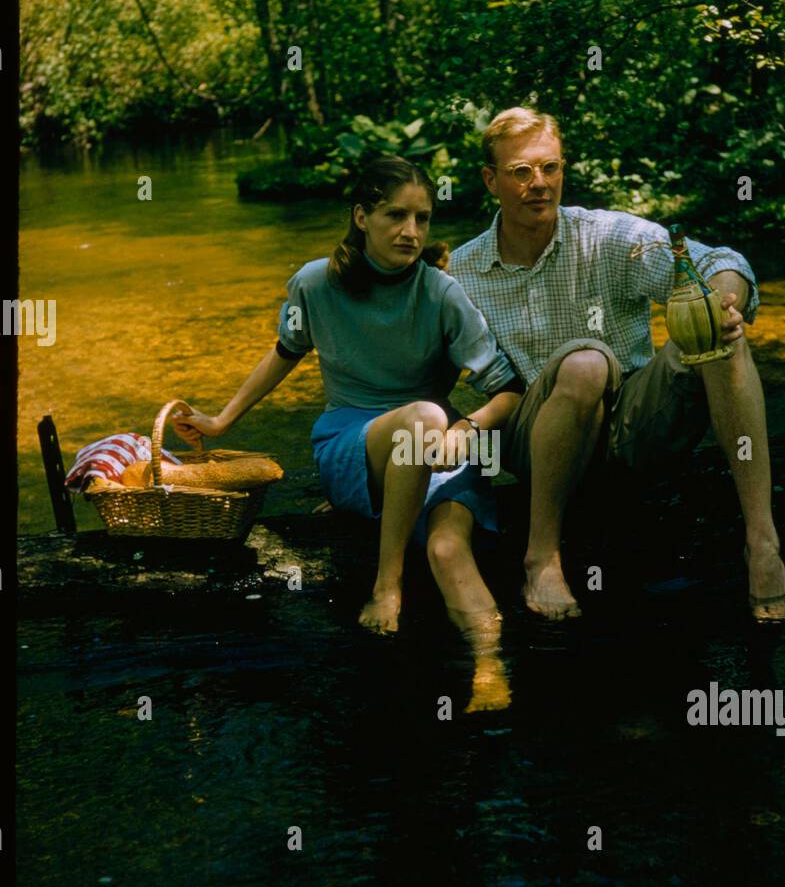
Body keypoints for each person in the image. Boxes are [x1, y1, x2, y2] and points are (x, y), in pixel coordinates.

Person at [172, 155, 524, 710]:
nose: (411, 232)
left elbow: (510, 389)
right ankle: (388, 584)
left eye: (423, 219)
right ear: (362, 216)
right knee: (424, 416)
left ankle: (487, 666)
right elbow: (285, 353)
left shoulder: (442, 294)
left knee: (449, 545)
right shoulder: (314, 284)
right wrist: (220, 420)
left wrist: (471, 425)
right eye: (395, 216)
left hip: (437, 449)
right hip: (353, 444)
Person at [448, 106, 785, 624]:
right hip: (535, 438)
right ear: (490, 180)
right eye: (521, 171)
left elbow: (720, 261)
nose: (539, 183)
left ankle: (762, 542)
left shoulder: (609, 236)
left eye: (551, 168)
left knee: (718, 329)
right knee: (586, 363)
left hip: (637, 427)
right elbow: (421, 375)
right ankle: (542, 557)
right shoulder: (462, 273)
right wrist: (388, 465)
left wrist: (723, 300)